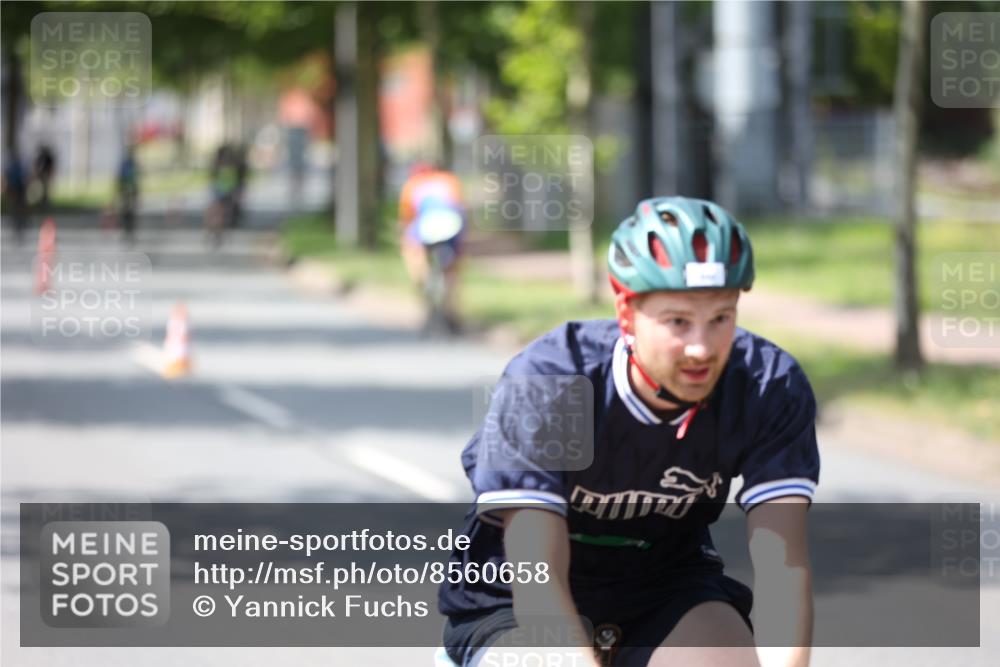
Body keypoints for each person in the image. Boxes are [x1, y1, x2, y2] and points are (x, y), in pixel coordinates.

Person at [438, 197, 819, 667]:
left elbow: (783, 571)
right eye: (678, 321)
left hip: (665, 586)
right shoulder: (552, 381)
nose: (701, 348)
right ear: (626, 313)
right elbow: (538, 582)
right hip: (515, 596)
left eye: (720, 318)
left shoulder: (767, 386)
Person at [398, 161, 466, 332]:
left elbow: (408, 216)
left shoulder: (413, 185)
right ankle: (452, 308)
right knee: (452, 269)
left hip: (425, 226)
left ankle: (423, 283)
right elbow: (460, 208)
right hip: (452, 225)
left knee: (412, 253)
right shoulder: (450, 180)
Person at [2, 154, 29, 244]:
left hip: (17, 189)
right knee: (17, 206)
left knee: (17, 206)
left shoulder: (13, 167)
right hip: (17, 189)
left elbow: (7, 178)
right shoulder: (17, 167)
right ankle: (18, 221)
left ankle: (18, 221)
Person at [116, 145, 140, 246]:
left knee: (131, 212)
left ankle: (130, 231)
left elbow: (137, 178)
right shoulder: (125, 164)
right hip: (126, 190)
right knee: (125, 211)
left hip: (131, 190)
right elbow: (120, 177)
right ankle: (126, 230)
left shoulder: (133, 164)